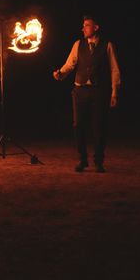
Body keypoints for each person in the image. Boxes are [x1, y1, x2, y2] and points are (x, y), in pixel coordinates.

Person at [53, 15, 121, 173]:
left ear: (96, 28)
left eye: (87, 25)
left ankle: (98, 161)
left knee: (99, 126)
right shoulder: (78, 44)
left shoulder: (107, 45)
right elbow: (70, 64)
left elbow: (114, 69)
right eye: (83, 25)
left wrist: (114, 93)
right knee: (78, 125)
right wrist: (60, 74)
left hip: (99, 91)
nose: (83, 28)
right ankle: (82, 160)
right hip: (80, 90)